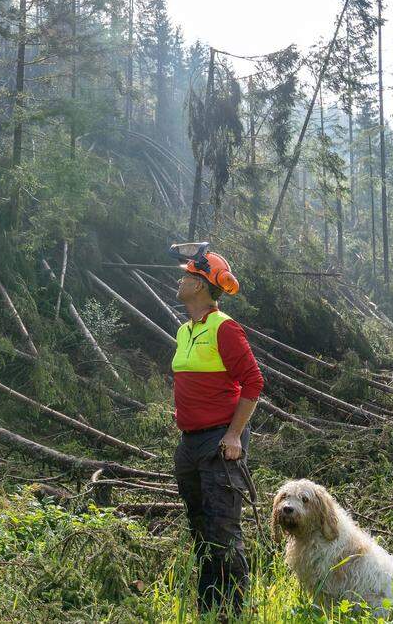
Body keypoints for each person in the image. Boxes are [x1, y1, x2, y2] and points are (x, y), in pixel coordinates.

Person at [171, 249, 263, 619]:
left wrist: (235, 435)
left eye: (184, 276)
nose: (179, 281)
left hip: (219, 442)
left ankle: (236, 612)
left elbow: (254, 382)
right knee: (201, 530)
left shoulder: (224, 327)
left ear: (197, 284)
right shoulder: (184, 330)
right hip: (190, 444)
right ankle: (209, 610)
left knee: (224, 533)